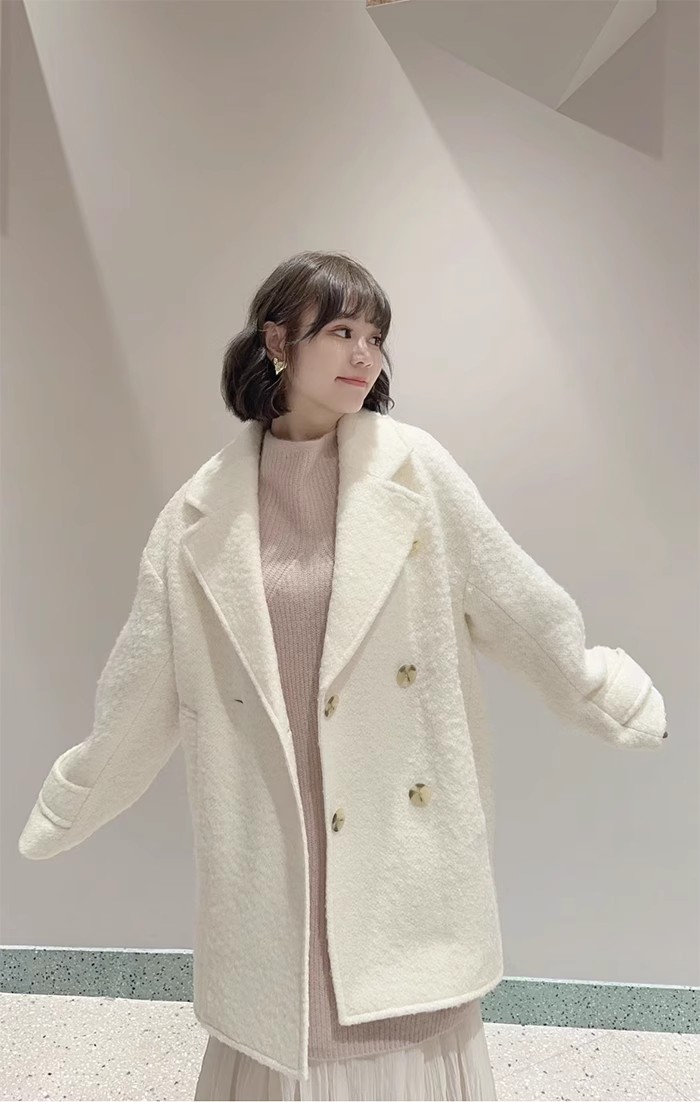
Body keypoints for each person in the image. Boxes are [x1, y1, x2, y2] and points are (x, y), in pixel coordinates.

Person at [18, 251, 668, 1102]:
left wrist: (593, 688)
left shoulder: (416, 472)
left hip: (398, 837)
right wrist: (80, 794)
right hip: (274, 835)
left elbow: (517, 604)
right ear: (277, 341)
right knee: (286, 1023)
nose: (365, 354)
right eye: (340, 331)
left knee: (396, 1023)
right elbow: (142, 685)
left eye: (375, 336)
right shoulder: (199, 515)